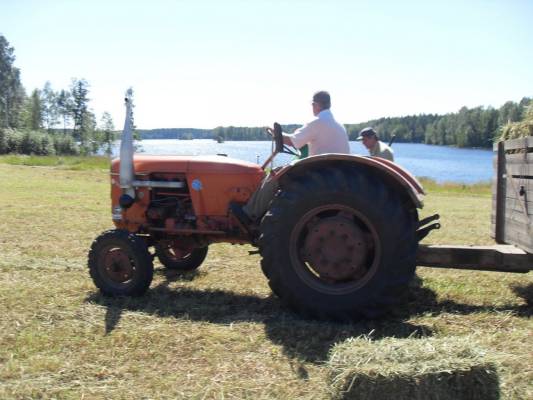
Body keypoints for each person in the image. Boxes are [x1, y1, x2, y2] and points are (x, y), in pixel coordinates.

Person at [232, 91, 350, 225]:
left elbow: (292, 141)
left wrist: (274, 132)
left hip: (319, 171)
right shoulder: (339, 125)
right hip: (332, 171)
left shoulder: (318, 122)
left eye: (312, 105)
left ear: (315, 105)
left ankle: (250, 213)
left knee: (273, 175)